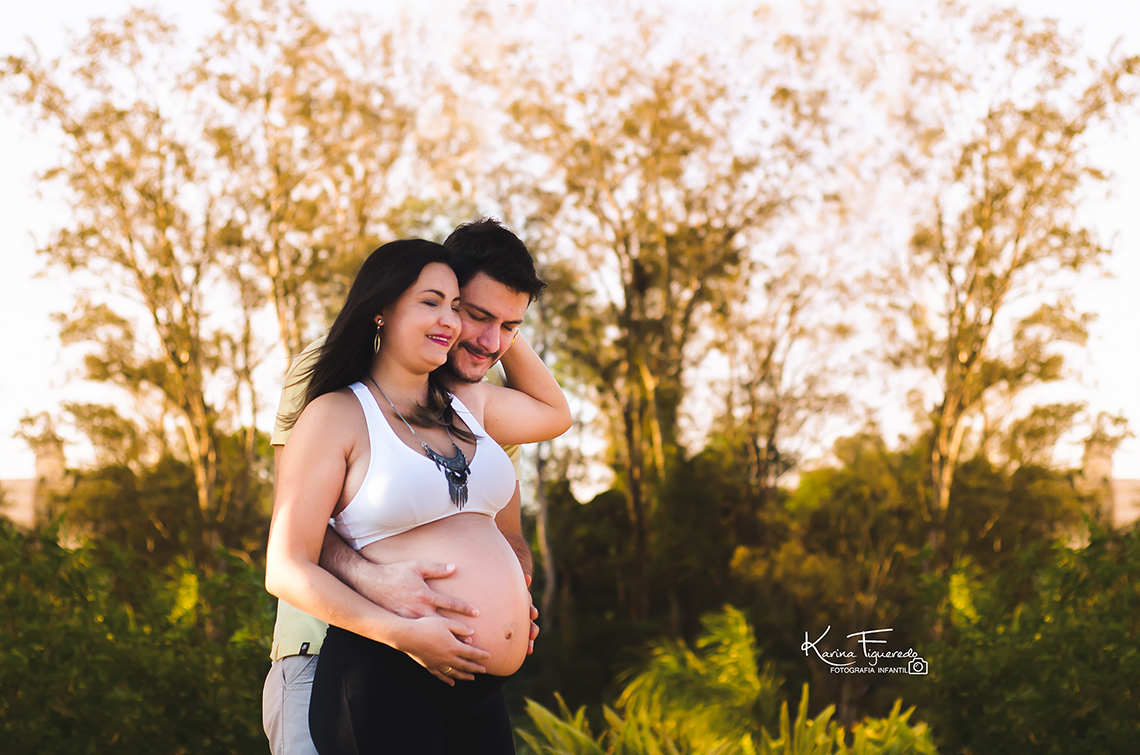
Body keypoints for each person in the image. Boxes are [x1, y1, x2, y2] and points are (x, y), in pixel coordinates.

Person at [265, 233, 570, 754]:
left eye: (509, 326)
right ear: (386, 307)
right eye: (467, 310)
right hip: (338, 651)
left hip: (473, 686)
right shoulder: (331, 390)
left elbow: (548, 433)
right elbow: (298, 537)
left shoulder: (472, 402)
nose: (481, 337)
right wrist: (379, 590)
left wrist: (511, 598)